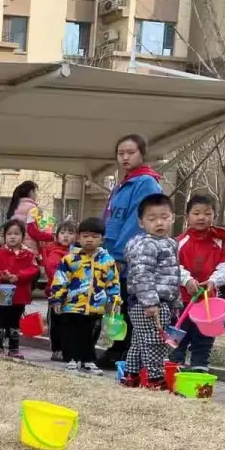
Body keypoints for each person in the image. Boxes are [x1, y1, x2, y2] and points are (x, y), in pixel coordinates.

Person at [97, 134, 163, 369]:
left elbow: (136, 223)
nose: (124, 157)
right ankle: (118, 349)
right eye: (120, 153)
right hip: (112, 252)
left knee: (130, 305)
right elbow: (111, 219)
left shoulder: (146, 183)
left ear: (142, 154)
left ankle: (124, 352)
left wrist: (119, 256)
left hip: (130, 257)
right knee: (119, 304)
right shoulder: (123, 184)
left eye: (130, 152)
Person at [122, 194, 181, 389]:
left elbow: (173, 274)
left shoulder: (170, 243)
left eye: (164, 217)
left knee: (140, 342)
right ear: (141, 222)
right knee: (154, 342)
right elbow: (142, 273)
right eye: (152, 218)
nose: (159, 223)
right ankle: (155, 380)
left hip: (162, 301)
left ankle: (131, 377)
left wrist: (176, 301)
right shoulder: (146, 244)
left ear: (173, 217)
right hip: (147, 303)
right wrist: (150, 302)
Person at [171, 194, 225, 370]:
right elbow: (173, 266)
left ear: (214, 216)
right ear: (187, 217)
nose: (201, 217)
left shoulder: (220, 242)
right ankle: (174, 366)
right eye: (196, 213)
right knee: (179, 334)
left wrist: (213, 281)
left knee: (204, 337)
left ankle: (200, 367)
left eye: (207, 213)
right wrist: (187, 280)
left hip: (208, 302)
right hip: (182, 300)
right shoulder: (178, 242)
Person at [48, 217, 120, 374]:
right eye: (86, 236)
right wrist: (57, 298)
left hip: (95, 307)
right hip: (72, 305)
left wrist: (115, 300)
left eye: (94, 237)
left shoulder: (107, 261)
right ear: (79, 237)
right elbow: (61, 279)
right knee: (70, 333)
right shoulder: (70, 259)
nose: (89, 240)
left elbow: (112, 282)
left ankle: (88, 360)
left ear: (102, 239)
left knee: (90, 335)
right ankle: (71, 359)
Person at [0, 219, 39, 358]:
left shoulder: (28, 254)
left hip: (20, 294)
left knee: (15, 321)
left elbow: (34, 270)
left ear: (22, 236)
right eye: (9, 234)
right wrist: (2, 275)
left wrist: (19, 276)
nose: (12, 236)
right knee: (0, 319)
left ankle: (13, 348)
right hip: (2, 293)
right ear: (4, 237)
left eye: (16, 233)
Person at [43, 221, 77, 361]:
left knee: (70, 323)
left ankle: (68, 349)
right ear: (57, 236)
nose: (66, 236)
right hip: (57, 294)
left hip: (74, 294)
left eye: (70, 233)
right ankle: (57, 349)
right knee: (56, 322)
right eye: (62, 233)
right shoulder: (54, 252)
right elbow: (53, 271)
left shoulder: (77, 252)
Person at [7, 180, 54, 253]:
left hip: (13, 246)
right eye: (36, 192)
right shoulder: (32, 208)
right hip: (28, 249)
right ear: (31, 192)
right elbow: (32, 231)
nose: (37, 195)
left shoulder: (14, 205)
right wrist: (51, 237)